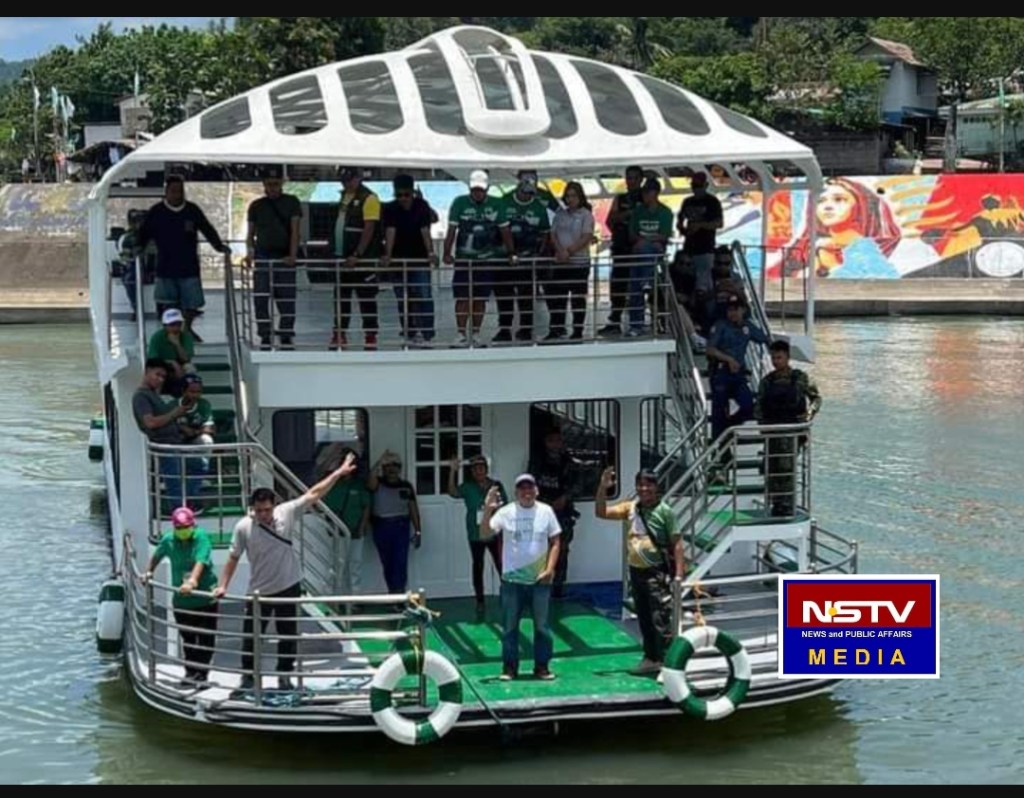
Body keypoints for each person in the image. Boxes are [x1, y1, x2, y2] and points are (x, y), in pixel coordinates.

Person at [214, 453, 359, 693]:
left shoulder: (286, 513)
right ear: (252, 510)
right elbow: (232, 557)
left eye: (267, 510)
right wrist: (223, 586)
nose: (264, 515)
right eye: (259, 511)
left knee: (288, 635)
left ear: (274, 506)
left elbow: (314, 493)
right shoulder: (243, 527)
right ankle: (248, 677)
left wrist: (338, 472)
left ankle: (285, 677)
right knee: (251, 637)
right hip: (259, 591)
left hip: (289, 585)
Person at [596, 468, 685, 675]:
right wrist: (602, 488)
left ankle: (668, 665)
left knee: (660, 619)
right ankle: (651, 658)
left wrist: (679, 575)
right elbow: (601, 512)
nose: (644, 489)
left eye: (649, 485)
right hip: (636, 572)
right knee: (643, 617)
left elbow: (677, 543)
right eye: (640, 485)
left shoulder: (665, 511)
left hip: (656, 573)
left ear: (656, 487)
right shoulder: (631, 508)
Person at [479, 474, 562, 682]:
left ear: (537, 490)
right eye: (522, 488)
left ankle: (542, 666)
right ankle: (509, 668)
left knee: (542, 627)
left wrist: (550, 569)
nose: (526, 492)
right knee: (509, 627)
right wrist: (488, 508)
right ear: (516, 492)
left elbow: (556, 542)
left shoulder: (546, 511)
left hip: (539, 581)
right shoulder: (505, 512)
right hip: (512, 582)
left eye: (530, 488)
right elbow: (484, 534)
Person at [137, 175, 232, 343]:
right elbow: (144, 234)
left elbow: (207, 229)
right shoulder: (156, 211)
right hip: (165, 266)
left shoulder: (192, 210)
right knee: (168, 302)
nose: (177, 195)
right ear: (166, 192)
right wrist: (137, 248)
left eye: (180, 191)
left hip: (189, 266)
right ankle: (171, 333)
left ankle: (187, 329)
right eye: (173, 191)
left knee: (192, 303)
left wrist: (218, 246)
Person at [144, 507, 220, 687]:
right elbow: (157, 555)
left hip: (204, 599)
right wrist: (148, 572)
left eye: (186, 527)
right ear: (174, 527)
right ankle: (191, 672)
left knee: (206, 638)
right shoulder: (169, 540)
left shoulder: (201, 537)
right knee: (188, 638)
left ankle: (202, 674)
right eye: (179, 528)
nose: (183, 530)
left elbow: (201, 560)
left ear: (193, 525)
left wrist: (193, 581)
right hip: (182, 602)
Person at [780, 178, 901, 280]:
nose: (827, 207)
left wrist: (834, 267)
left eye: (839, 199)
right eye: (820, 201)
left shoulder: (875, 247)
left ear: (860, 205)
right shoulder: (803, 247)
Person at [756, 340, 823, 517]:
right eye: (773, 358)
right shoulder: (767, 382)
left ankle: (787, 502)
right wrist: (762, 425)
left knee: (787, 467)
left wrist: (808, 416)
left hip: (792, 430)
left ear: (787, 357)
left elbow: (816, 399)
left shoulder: (801, 378)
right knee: (771, 468)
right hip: (772, 431)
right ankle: (776, 502)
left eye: (779, 357)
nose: (775, 361)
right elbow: (759, 406)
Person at [133, 359, 204, 513]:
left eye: (163, 377)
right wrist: (175, 413)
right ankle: (179, 510)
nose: (160, 379)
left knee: (198, 465)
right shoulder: (141, 397)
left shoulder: (153, 395)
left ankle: (188, 502)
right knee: (174, 480)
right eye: (157, 374)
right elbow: (150, 423)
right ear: (146, 372)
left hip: (175, 441)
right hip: (163, 444)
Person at [444, 170, 503, 346]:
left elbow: (504, 229)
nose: (478, 193)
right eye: (475, 189)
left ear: (487, 189)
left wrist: (511, 252)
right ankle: (461, 333)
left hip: (485, 260)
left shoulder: (496, 204)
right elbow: (452, 230)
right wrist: (447, 252)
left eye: (481, 190)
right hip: (463, 260)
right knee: (462, 297)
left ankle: (476, 333)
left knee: (479, 299)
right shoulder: (459, 202)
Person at [246, 168, 303, 351]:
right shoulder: (256, 205)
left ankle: (286, 333)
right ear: (263, 184)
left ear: (282, 184)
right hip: (263, 257)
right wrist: (250, 253)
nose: (272, 188)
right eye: (269, 184)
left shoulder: (292, 202)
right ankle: (264, 334)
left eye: (276, 184)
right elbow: (251, 234)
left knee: (287, 299)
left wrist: (293, 255)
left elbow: (295, 230)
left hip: (284, 257)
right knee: (261, 298)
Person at [382, 174, 439, 346]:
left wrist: (430, 252)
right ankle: (409, 331)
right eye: (398, 195)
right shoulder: (390, 208)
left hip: (419, 259)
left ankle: (427, 333)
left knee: (424, 296)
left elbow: (425, 230)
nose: (403, 199)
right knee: (403, 298)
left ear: (412, 193)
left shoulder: (422, 206)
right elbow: (390, 232)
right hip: (398, 261)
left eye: (406, 195)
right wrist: (388, 255)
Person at [329, 167, 382, 351]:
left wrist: (357, 254)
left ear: (358, 178)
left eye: (349, 180)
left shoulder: (370, 198)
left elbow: (369, 229)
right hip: (341, 258)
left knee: (366, 298)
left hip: (362, 261)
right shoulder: (343, 197)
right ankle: (339, 333)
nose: (346, 183)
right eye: (343, 180)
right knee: (341, 298)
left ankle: (370, 335)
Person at [498, 170, 553, 343]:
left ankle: (526, 329)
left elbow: (545, 233)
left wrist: (538, 253)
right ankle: (504, 329)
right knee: (504, 296)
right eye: (525, 191)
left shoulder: (539, 207)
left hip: (529, 261)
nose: (527, 195)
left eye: (531, 191)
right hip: (505, 259)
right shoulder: (504, 202)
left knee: (526, 296)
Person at [706, 297, 771, 444]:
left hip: (737, 375)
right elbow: (710, 349)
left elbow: (763, 338)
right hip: (720, 372)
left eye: (736, 309)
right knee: (719, 413)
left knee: (749, 406)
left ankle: (730, 425)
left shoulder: (747, 327)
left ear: (743, 310)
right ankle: (719, 447)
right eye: (730, 310)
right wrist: (728, 359)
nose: (732, 313)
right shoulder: (721, 326)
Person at [448, 455, 507, 614]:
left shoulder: (496, 485)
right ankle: (480, 600)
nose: (479, 471)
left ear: (486, 469)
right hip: (475, 533)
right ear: (472, 472)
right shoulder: (467, 486)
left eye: (481, 468)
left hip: (494, 532)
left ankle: (509, 596)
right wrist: (452, 471)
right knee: (478, 566)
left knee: (501, 564)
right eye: (475, 469)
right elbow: (452, 492)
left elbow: (506, 507)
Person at [529, 430, 579, 599]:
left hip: (563, 513)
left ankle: (558, 587)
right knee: (539, 549)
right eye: (551, 440)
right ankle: (539, 584)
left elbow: (578, 485)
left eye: (557, 441)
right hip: (540, 512)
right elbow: (529, 484)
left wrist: (565, 498)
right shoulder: (537, 461)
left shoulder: (568, 462)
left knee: (562, 550)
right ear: (545, 442)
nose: (554, 444)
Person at [367, 451, 423, 594]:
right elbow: (370, 481)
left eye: (395, 466)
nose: (392, 469)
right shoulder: (378, 483)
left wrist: (418, 530)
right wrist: (380, 461)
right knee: (388, 563)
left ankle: (400, 594)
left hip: (401, 527)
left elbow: (413, 510)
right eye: (388, 466)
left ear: (400, 468)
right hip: (382, 526)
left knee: (400, 561)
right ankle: (393, 593)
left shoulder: (406, 486)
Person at [548, 182, 596, 342]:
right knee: (558, 298)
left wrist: (569, 251)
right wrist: (560, 251)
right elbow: (553, 234)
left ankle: (577, 331)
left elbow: (586, 236)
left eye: (574, 196)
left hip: (579, 263)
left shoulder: (585, 215)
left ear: (580, 197)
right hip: (561, 263)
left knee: (577, 298)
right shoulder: (560, 214)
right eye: (568, 196)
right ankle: (557, 328)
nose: (570, 199)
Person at [322, 445, 373, 595]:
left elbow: (366, 506)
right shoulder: (333, 484)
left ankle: (355, 599)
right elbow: (326, 507)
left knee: (355, 566)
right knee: (336, 566)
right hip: (338, 533)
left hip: (356, 532)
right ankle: (333, 599)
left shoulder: (359, 485)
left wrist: (362, 527)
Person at [602, 166, 645, 335]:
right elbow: (609, 220)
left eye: (634, 178)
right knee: (618, 284)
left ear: (640, 179)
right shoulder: (620, 198)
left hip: (640, 250)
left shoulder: (646, 197)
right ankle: (614, 321)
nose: (630, 181)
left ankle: (639, 323)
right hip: (621, 248)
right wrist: (626, 216)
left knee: (640, 285)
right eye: (628, 177)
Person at [628, 178, 674, 337]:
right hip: (642, 253)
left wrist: (644, 242)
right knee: (635, 290)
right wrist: (646, 242)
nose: (645, 195)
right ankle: (646, 280)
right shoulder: (638, 211)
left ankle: (638, 325)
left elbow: (664, 235)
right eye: (644, 192)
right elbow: (632, 234)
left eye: (648, 192)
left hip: (655, 255)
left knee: (648, 248)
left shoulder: (665, 212)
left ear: (656, 193)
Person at [678, 173, 725, 298]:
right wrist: (682, 230)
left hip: (705, 247)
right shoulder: (687, 201)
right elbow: (680, 220)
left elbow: (719, 223)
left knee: (703, 284)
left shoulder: (712, 202)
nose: (697, 189)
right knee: (686, 280)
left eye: (699, 186)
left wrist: (701, 225)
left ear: (706, 185)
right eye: (694, 186)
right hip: (688, 247)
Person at [147, 309, 195, 397]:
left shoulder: (186, 336)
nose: (176, 328)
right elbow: (153, 359)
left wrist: (177, 344)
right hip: (161, 363)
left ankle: (189, 398)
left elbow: (186, 359)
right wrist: (171, 363)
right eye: (172, 325)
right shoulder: (157, 337)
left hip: (180, 363)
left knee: (190, 369)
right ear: (165, 326)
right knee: (157, 372)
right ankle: (155, 399)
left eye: (178, 324)